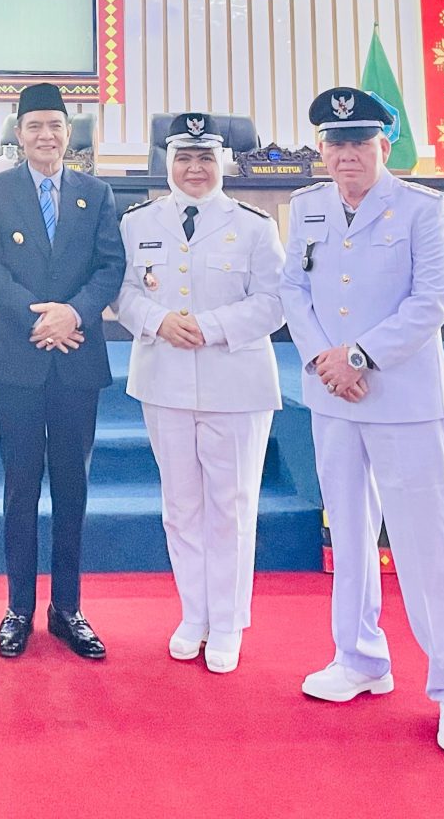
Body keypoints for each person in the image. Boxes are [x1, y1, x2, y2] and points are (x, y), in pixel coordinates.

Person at [280, 86, 444, 756]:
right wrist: (326, 360)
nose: (347, 154)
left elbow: (433, 298)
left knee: (427, 547)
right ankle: (360, 658)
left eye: (359, 142)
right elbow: (293, 290)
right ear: (322, 149)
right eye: (335, 143)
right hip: (333, 398)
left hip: (404, 401)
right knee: (350, 535)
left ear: (384, 145)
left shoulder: (421, 208)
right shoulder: (306, 207)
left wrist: (359, 356)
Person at [116, 112, 284, 674]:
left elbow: (275, 301)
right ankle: (194, 614)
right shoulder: (138, 222)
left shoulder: (254, 226)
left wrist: (209, 327)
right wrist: (158, 321)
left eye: (205, 157)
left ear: (223, 163)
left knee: (231, 507)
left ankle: (228, 622)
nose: (194, 168)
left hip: (236, 383)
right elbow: (123, 291)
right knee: (181, 506)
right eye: (184, 158)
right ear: (167, 163)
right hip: (163, 379)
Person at [0, 83, 124, 660]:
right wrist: (37, 316)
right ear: (19, 133)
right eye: (34, 126)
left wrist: (73, 314)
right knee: (20, 487)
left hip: (77, 356)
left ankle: (68, 608)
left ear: (68, 134)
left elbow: (110, 267)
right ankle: (18, 608)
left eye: (55, 126)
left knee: (71, 488)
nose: (45, 136)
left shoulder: (96, 193)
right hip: (19, 355)